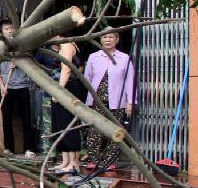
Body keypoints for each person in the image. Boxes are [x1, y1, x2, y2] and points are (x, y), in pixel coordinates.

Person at [83, 31, 135, 168]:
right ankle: (94, 159)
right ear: (100, 40)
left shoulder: (124, 58)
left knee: (115, 131)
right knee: (95, 130)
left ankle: (110, 161)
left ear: (116, 40)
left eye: (111, 37)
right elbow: (87, 78)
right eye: (105, 37)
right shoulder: (94, 57)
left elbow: (130, 81)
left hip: (117, 101)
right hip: (97, 100)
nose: (107, 39)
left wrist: (130, 102)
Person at [0, 19, 37, 158]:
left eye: (11, 28)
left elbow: (31, 61)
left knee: (26, 119)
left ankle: (29, 149)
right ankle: (9, 148)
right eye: (6, 29)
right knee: (7, 119)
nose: (10, 30)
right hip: (7, 88)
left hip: (23, 86)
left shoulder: (20, 46)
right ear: (1, 32)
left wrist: (18, 62)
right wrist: (1, 85)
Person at [50, 38, 87, 175]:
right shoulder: (66, 45)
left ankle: (74, 163)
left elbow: (66, 69)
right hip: (63, 86)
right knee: (60, 124)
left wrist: (59, 91)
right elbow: (81, 66)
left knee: (68, 124)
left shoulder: (66, 45)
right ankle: (65, 161)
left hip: (67, 88)